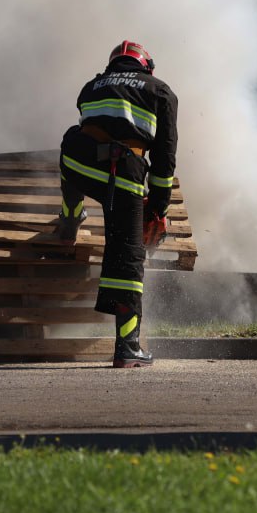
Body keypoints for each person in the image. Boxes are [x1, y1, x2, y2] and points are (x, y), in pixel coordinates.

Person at [56, 41, 179, 368]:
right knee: (126, 255)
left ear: (114, 65)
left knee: (73, 145)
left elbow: (93, 126)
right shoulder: (161, 92)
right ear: (147, 67)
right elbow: (164, 160)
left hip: (77, 162)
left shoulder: (90, 86)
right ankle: (128, 348)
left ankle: (69, 220)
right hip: (123, 173)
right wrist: (158, 210)